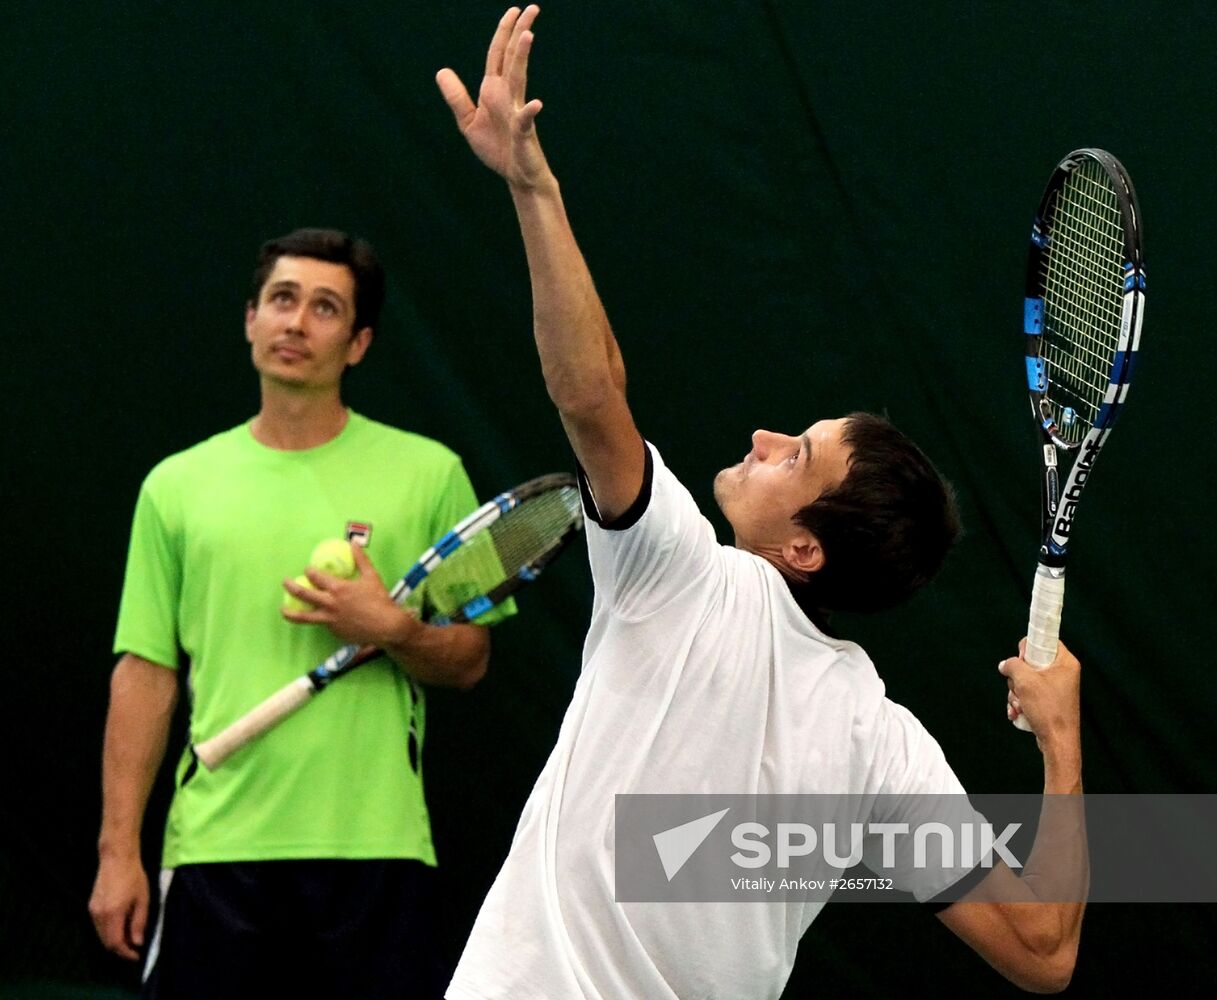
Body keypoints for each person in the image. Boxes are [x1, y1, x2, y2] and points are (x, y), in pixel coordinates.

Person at [435, 8, 1087, 998]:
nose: (762, 439)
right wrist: (1062, 740)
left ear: (805, 547)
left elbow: (586, 391)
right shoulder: (880, 743)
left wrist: (532, 186)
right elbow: (1042, 949)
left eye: (799, 455)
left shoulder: (681, 571)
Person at [88, 228, 511, 998]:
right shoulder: (174, 487)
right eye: (282, 300)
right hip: (217, 849)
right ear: (250, 318)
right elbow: (146, 673)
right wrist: (119, 851)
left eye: (325, 309)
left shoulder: (433, 473)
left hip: (375, 850)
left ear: (358, 344)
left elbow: (471, 658)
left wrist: (394, 630)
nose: (296, 323)